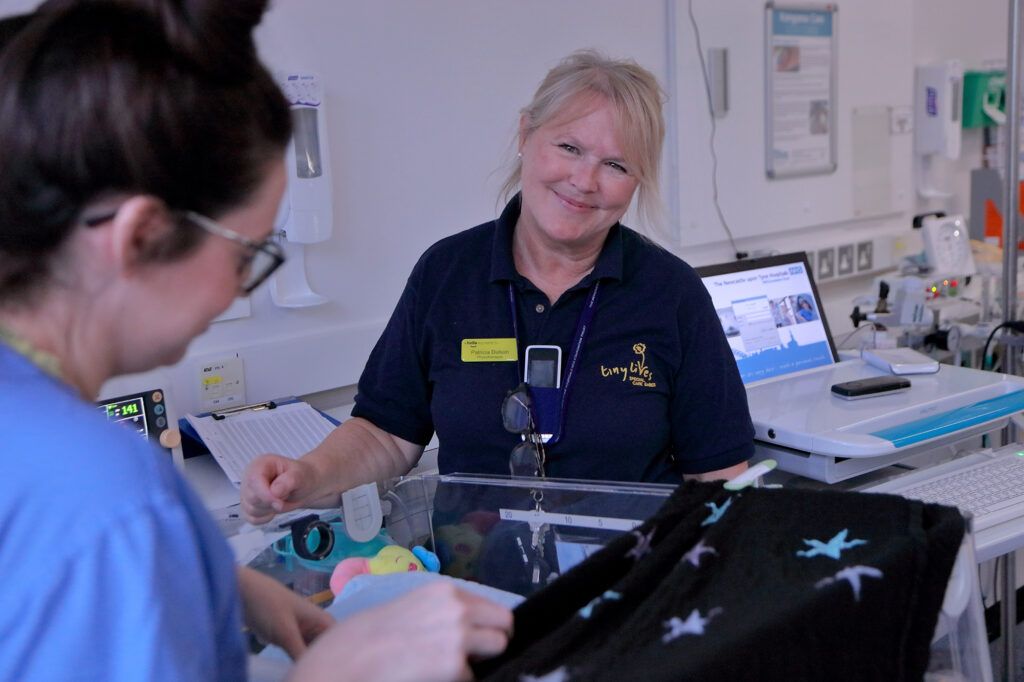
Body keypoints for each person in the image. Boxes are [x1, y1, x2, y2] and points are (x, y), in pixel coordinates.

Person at [0, 2, 510, 681]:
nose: (239, 292)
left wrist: (223, 586)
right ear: (142, 237)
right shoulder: (110, 499)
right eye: (248, 256)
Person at [241, 50, 754, 526]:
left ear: (637, 179)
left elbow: (717, 477)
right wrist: (306, 475)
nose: (585, 180)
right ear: (525, 134)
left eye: (615, 165)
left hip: (630, 595)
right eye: (569, 147)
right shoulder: (446, 273)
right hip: (477, 589)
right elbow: (384, 434)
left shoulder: (671, 294)